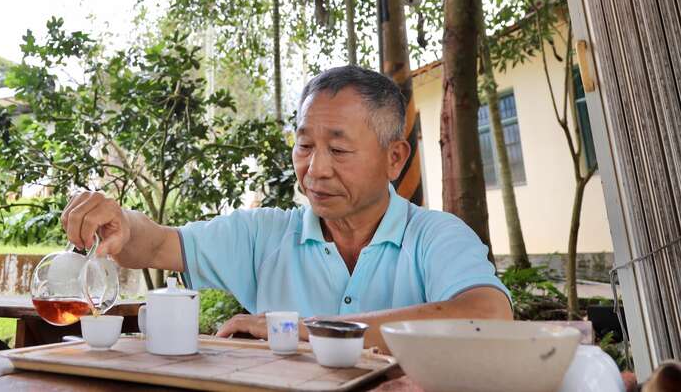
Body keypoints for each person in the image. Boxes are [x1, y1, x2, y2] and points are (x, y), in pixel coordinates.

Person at [61, 65, 512, 348]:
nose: (315, 170)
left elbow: (488, 315)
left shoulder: (436, 236)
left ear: (394, 158)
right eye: (303, 145)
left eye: (338, 150)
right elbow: (158, 244)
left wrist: (301, 330)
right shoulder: (264, 235)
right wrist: (120, 224)